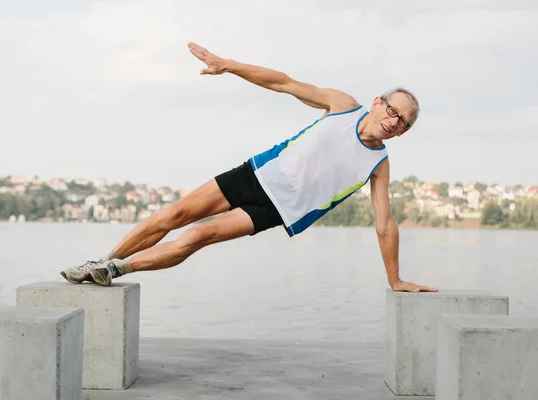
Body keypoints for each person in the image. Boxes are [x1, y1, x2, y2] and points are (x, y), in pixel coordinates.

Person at [60, 42, 438, 293]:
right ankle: (101, 261)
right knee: (173, 214)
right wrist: (229, 65)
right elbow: (283, 83)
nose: (394, 121)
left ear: (403, 132)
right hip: (256, 173)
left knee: (196, 238)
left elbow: (384, 224)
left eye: (404, 121)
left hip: (275, 208)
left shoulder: (379, 164)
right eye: (392, 110)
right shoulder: (343, 105)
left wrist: (395, 279)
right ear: (377, 103)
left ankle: (116, 271)